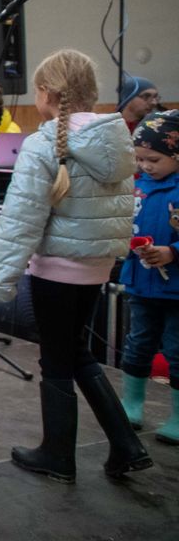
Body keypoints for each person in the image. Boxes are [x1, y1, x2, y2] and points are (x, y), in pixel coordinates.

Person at [0, 49, 151, 483]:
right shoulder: (116, 141)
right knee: (77, 353)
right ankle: (127, 446)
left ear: (47, 94)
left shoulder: (44, 144)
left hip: (57, 270)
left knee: (57, 360)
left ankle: (58, 454)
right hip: (96, 268)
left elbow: (22, 218)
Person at [118, 109, 179, 446]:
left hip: (176, 289)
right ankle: (132, 404)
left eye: (154, 159)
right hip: (141, 283)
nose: (145, 166)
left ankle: (177, 417)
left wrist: (173, 252)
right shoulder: (136, 187)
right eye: (140, 159)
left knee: (176, 350)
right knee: (138, 344)